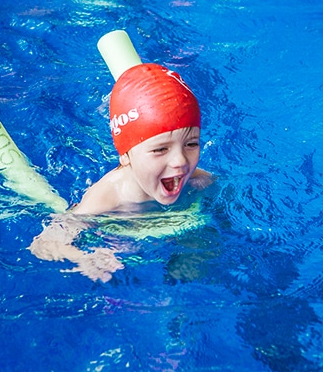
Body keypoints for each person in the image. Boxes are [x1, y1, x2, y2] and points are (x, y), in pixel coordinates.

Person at [29, 62, 213, 282]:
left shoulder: (199, 180)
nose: (180, 161)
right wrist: (83, 258)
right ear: (125, 155)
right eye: (160, 149)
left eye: (191, 144)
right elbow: (43, 244)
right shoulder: (106, 199)